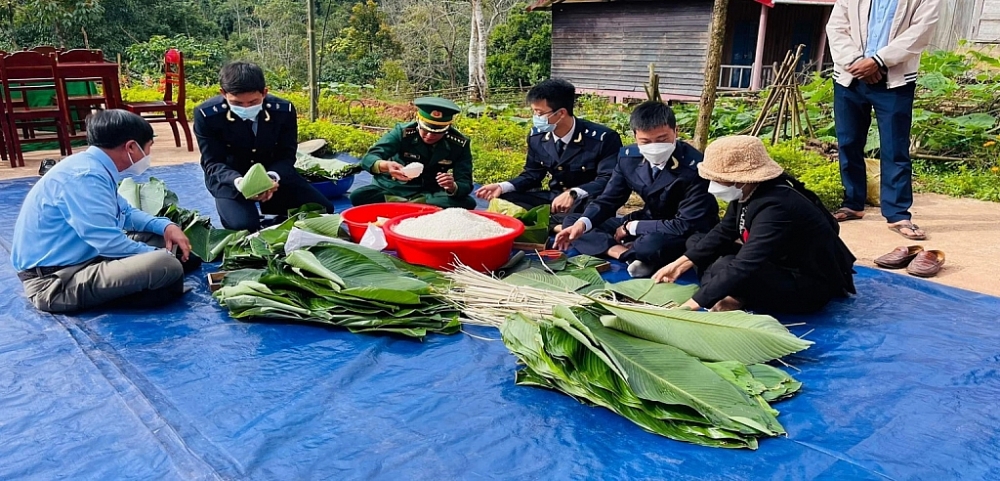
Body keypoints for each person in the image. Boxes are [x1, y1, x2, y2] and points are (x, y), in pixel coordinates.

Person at [10, 110, 195, 313]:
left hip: (85, 255)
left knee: (168, 240)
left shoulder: (94, 167)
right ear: (132, 147)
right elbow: (108, 241)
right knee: (166, 264)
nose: (149, 155)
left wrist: (166, 226)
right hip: (55, 281)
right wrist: (159, 256)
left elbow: (125, 212)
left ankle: (150, 275)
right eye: (149, 147)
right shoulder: (84, 176)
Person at [653, 136, 857, 314]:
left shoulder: (777, 206)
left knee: (725, 266)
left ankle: (731, 295)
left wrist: (689, 306)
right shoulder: (747, 191)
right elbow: (724, 231)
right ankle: (724, 291)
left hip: (806, 284)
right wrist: (678, 264)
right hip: (775, 262)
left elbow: (746, 263)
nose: (713, 184)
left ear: (741, 179)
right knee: (697, 242)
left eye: (718, 179)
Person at [554, 101, 719, 278]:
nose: (655, 147)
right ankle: (622, 253)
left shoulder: (695, 166)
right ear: (635, 137)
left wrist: (633, 227)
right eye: (646, 141)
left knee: (650, 245)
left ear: (676, 131)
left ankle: (640, 252)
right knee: (574, 221)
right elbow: (609, 199)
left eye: (662, 139)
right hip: (649, 218)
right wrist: (582, 224)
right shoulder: (628, 158)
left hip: (684, 228)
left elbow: (685, 224)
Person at [826, 0, 941, 240]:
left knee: (894, 147)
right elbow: (836, 28)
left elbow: (920, 32)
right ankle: (853, 203)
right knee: (848, 142)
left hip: (895, 79)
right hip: (851, 77)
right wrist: (858, 63)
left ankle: (898, 213)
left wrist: (878, 61)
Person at [195, 62, 335, 232]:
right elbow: (213, 162)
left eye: (253, 102)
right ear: (223, 94)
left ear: (265, 92)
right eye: (237, 103)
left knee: (321, 210)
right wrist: (241, 183)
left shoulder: (283, 110)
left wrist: (271, 178)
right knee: (244, 226)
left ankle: (276, 211)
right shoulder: (208, 115)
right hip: (231, 179)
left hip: (273, 173)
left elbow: (286, 154)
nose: (246, 107)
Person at [476, 79, 622, 224]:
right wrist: (503, 186)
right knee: (505, 199)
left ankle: (548, 223)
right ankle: (555, 224)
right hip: (554, 199)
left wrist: (574, 193)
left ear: (561, 113)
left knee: (593, 212)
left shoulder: (602, 139)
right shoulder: (537, 137)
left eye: (539, 113)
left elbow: (607, 179)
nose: (535, 118)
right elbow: (532, 174)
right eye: (533, 111)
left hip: (585, 200)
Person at [349, 97, 476, 209]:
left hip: (429, 192)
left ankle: (406, 206)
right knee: (359, 196)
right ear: (418, 122)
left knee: (468, 203)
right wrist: (386, 166)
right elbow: (369, 158)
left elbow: (465, 182)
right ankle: (418, 207)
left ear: (447, 129)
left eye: (437, 132)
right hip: (394, 188)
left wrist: (452, 186)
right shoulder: (403, 133)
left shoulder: (458, 144)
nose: (430, 135)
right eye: (425, 129)